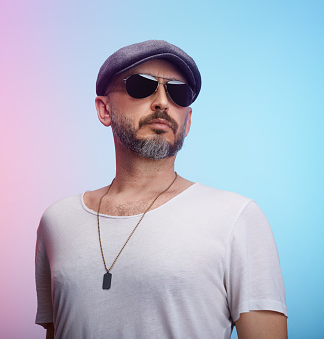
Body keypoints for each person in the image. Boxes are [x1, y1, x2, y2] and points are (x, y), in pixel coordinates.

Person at [35, 40, 287, 339]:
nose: (162, 102)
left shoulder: (236, 218)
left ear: (188, 119)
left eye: (177, 92)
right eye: (141, 86)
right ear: (104, 109)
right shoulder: (58, 221)